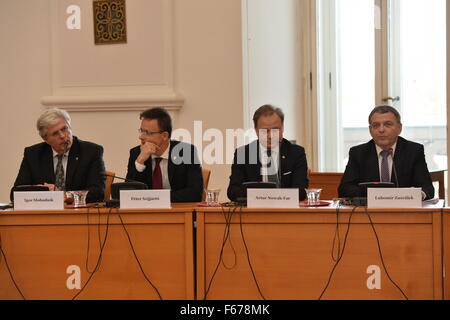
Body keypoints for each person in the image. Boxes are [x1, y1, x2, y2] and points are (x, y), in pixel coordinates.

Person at [338, 105, 434, 200]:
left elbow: (427, 188)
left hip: (404, 210)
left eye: (388, 124)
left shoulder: (413, 151)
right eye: (376, 125)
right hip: (369, 211)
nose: (381, 130)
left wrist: (417, 195)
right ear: (370, 130)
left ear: (399, 128)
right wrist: (378, 195)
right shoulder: (358, 153)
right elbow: (344, 189)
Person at [11, 108, 106, 203]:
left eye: (64, 129)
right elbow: (15, 194)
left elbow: (98, 193)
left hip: (78, 214)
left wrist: (63, 195)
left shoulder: (91, 152)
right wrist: (41, 191)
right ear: (45, 139)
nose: (62, 136)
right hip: (45, 214)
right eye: (55, 133)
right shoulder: (33, 154)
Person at [227, 104, 309, 201]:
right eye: (265, 131)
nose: (270, 136)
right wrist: (261, 197)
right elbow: (232, 191)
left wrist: (272, 197)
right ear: (256, 131)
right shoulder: (243, 153)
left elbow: (301, 192)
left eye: (275, 130)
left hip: (286, 211)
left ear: (282, 128)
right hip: (253, 212)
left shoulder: (296, 153)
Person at [126, 107, 203, 202]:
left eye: (147, 133)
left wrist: (157, 198)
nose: (141, 137)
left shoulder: (186, 151)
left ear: (164, 136)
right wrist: (140, 162)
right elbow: (127, 194)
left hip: (178, 212)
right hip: (146, 213)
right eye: (141, 131)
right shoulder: (136, 153)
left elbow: (195, 193)